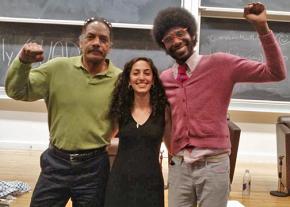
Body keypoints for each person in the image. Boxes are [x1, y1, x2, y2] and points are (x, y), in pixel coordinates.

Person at [152, 2, 286, 207]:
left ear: (192, 34)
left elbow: (276, 72)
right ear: (164, 46)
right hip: (179, 168)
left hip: (214, 166)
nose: (176, 41)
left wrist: (262, 28)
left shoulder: (221, 64)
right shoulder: (165, 79)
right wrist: (172, 152)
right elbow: (166, 119)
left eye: (180, 33)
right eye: (168, 39)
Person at [5, 17, 122, 207]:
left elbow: (127, 118)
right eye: (90, 37)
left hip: (94, 168)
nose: (96, 43)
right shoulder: (57, 68)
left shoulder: (119, 79)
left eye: (103, 39)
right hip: (56, 164)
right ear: (80, 41)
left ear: (109, 45)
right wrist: (23, 62)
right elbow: (17, 91)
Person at [104, 57, 171, 207]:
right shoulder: (120, 110)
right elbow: (106, 140)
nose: (141, 77)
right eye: (136, 73)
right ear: (129, 79)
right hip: (120, 183)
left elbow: (172, 146)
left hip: (151, 184)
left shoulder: (164, 110)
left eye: (147, 73)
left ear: (153, 80)